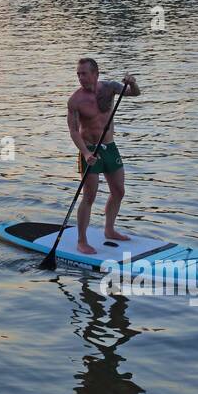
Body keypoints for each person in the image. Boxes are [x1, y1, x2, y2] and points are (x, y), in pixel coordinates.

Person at [66, 57, 141, 255]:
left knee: (119, 191)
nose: (81, 78)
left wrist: (132, 82)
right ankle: (82, 241)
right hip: (90, 150)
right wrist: (85, 152)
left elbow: (135, 93)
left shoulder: (110, 88)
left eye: (84, 73)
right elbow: (74, 131)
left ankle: (109, 229)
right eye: (78, 74)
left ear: (95, 73)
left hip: (110, 147)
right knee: (89, 196)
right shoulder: (75, 101)